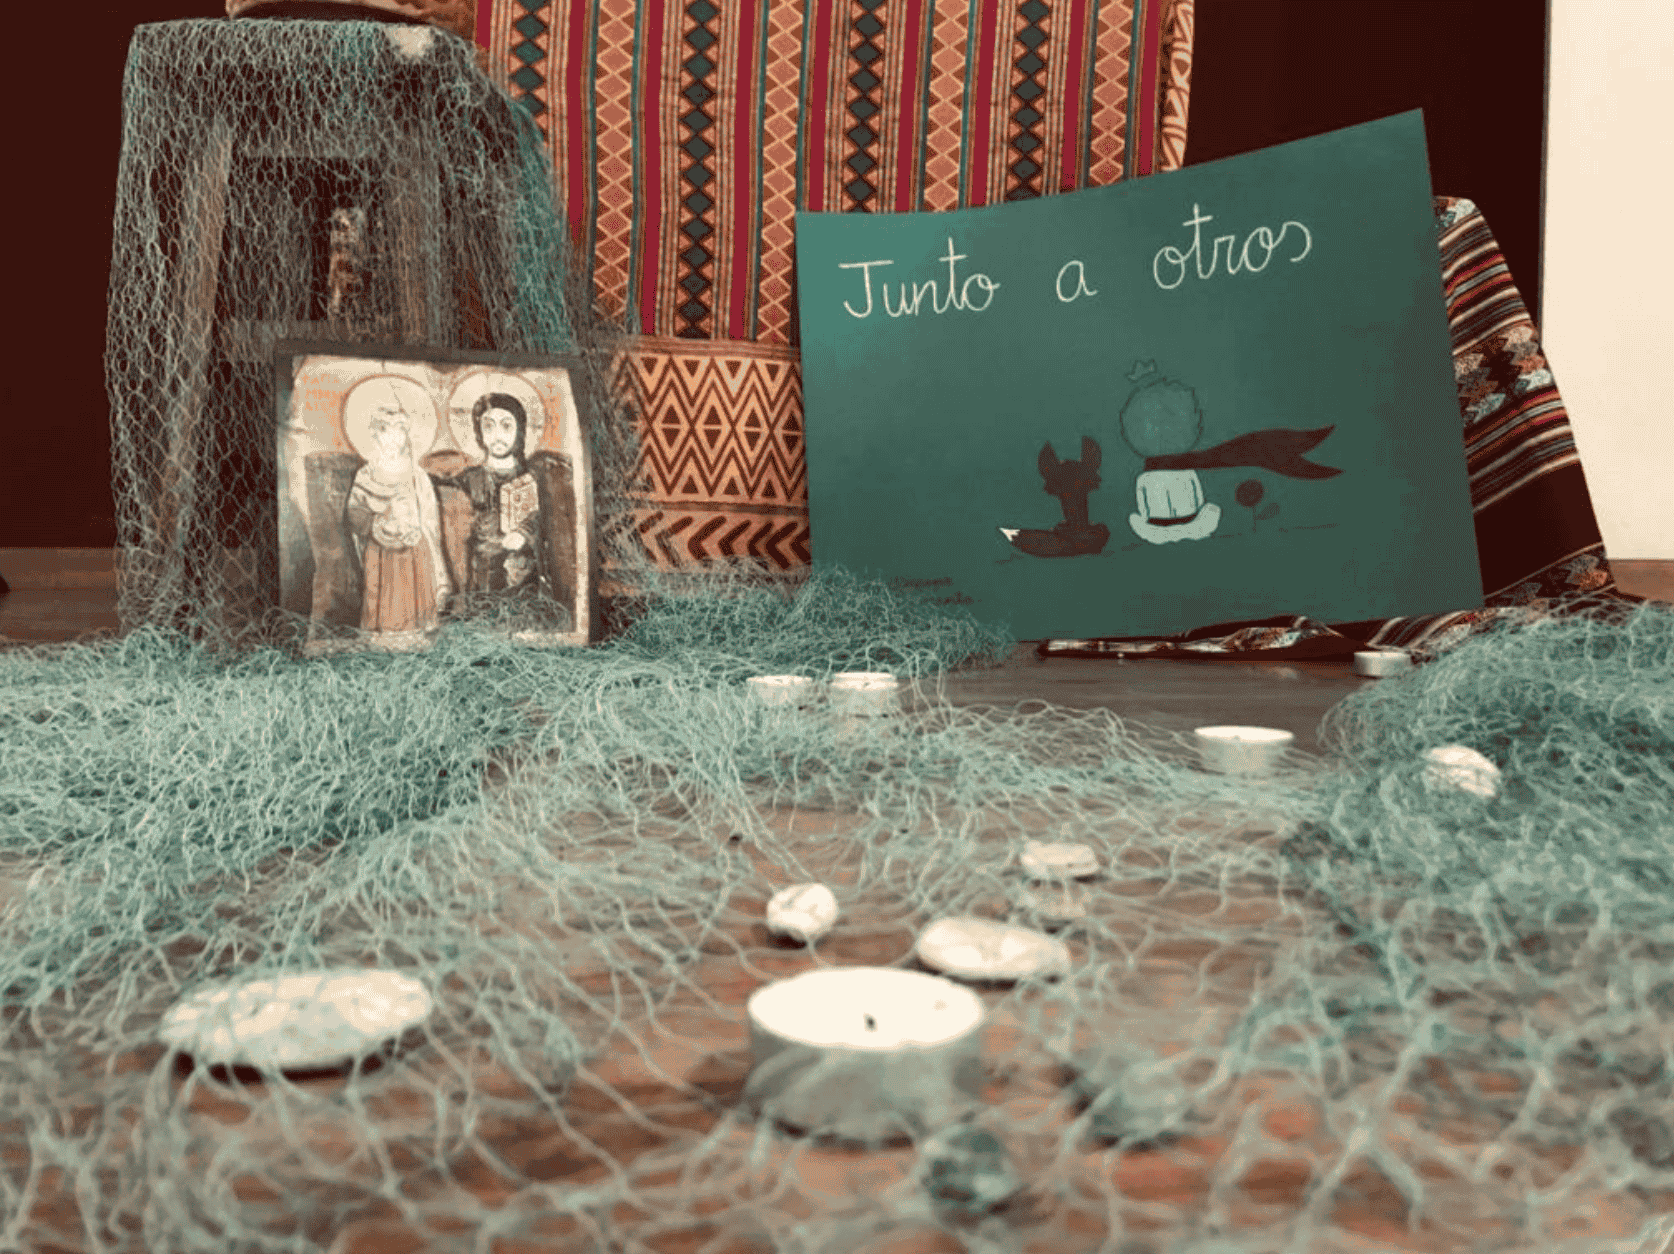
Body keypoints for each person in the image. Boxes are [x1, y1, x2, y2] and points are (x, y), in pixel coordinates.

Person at [344, 401, 450, 636]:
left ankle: (415, 634)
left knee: (413, 603)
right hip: (380, 552)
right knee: (386, 600)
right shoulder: (365, 475)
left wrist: (440, 575)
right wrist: (380, 523)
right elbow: (355, 513)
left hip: (414, 551)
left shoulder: (417, 476)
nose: (393, 437)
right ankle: (384, 637)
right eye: (385, 429)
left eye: (399, 429)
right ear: (374, 433)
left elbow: (430, 522)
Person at [430, 392, 546, 598]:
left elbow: (544, 516)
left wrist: (523, 533)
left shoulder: (532, 477)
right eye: (488, 427)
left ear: (519, 430)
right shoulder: (468, 478)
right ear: (479, 432)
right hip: (480, 576)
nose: (497, 435)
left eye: (506, 426)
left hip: (520, 574)